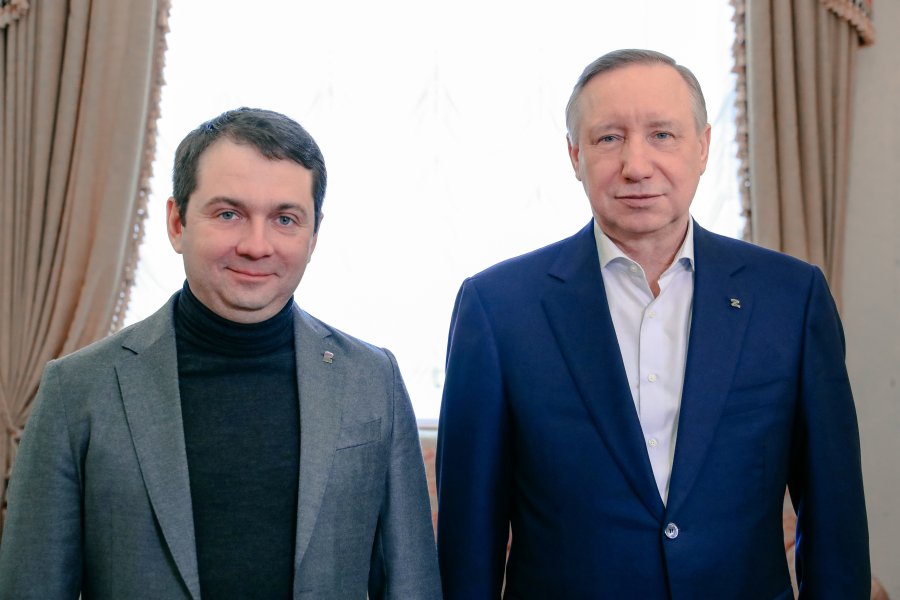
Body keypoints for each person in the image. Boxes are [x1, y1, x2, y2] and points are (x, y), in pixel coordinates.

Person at [436, 49, 870, 599]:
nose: (636, 165)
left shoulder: (791, 298)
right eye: (608, 138)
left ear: (703, 146)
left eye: (662, 135)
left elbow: (835, 520)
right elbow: (467, 543)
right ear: (575, 155)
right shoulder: (497, 308)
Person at [0, 107, 441, 599]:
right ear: (177, 223)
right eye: (229, 214)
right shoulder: (77, 390)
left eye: (285, 219)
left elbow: (412, 585)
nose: (256, 245)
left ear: (313, 235)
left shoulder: (373, 381)